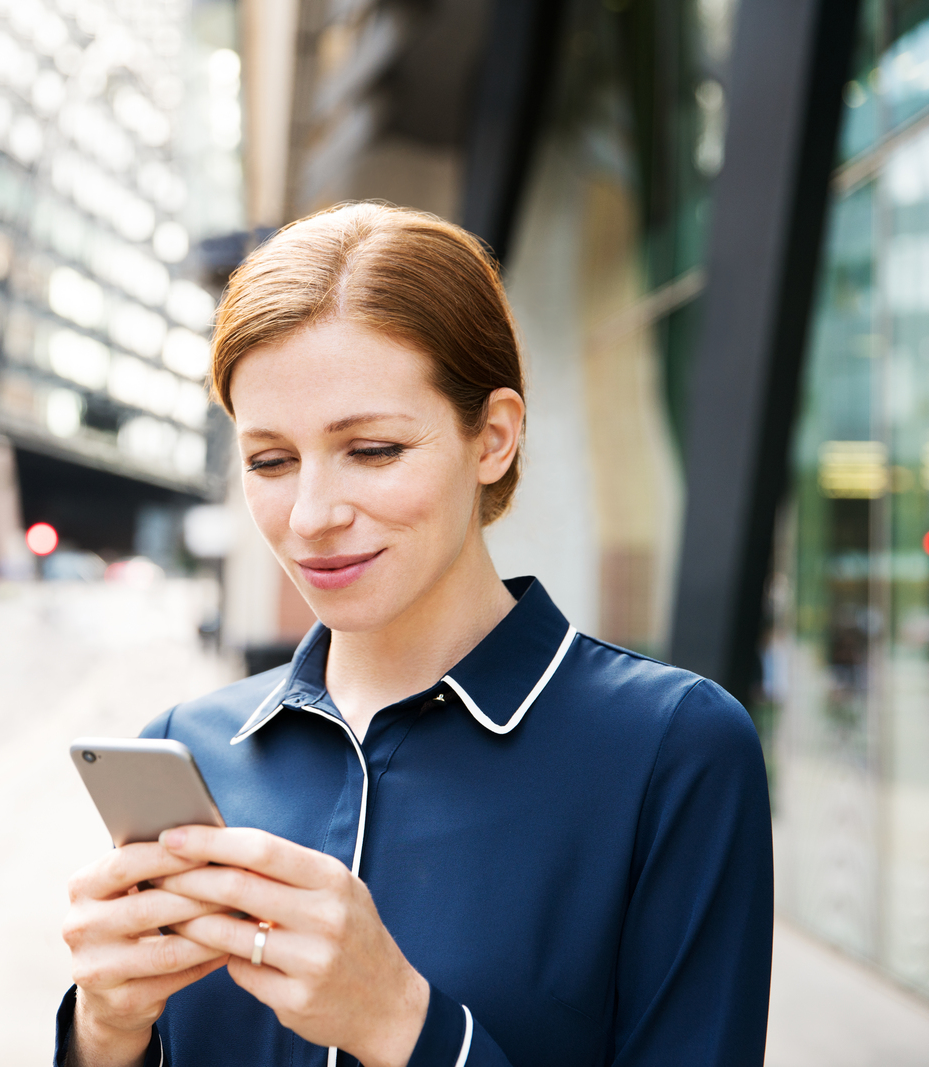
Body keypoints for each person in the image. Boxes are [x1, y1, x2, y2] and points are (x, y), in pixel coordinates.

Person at [56, 203, 772, 1067]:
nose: (313, 516)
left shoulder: (672, 752)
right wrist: (104, 1031)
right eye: (270, 461)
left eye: (374, 449)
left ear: (494, 438)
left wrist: (403, 1024)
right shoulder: (186, 749)